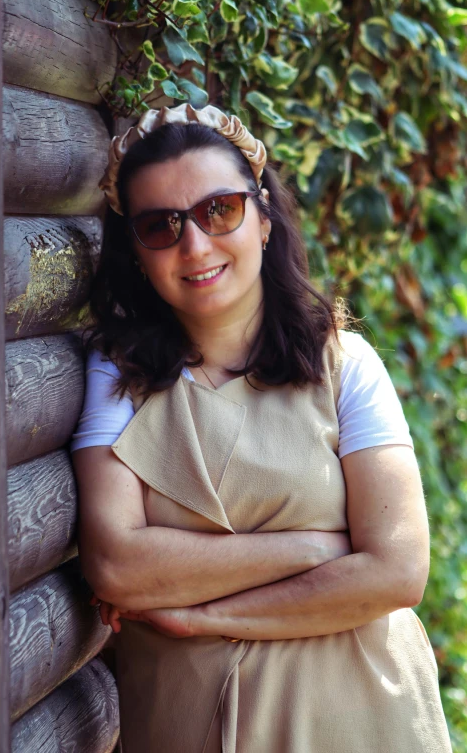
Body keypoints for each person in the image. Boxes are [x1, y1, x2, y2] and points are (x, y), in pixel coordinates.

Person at [70, 102, 452, 752]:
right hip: (182, 722)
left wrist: (200, 614)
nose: (195, 244)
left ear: (265, 217)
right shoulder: (117, 375)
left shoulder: (346, 366)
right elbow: (116, 564)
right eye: (160, 225)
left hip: (362, 719)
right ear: (135, 251)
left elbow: (397, 571)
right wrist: (321, 549)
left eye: (220, 209)